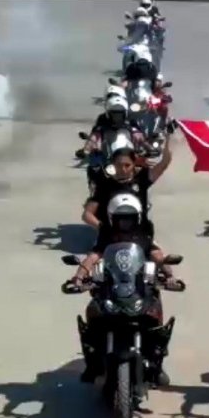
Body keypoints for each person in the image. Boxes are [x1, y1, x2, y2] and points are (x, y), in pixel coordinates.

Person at [63, 193, 179, 383]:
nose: (125, 222)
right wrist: (78, 277)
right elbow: (93, 256)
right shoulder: (106, 235)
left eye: (129, 218)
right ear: (112, 218)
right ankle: (92, 362)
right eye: (120, 218)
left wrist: (170, 275)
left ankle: (157, 364)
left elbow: (157, 255)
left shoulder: (144, 235)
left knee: (155, 310)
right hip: (112, 286)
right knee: (93, 311)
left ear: (137, 218)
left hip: (138, 286)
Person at [82, 122, 176, 240]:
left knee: (158, 252)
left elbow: (165, 162)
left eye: (127, 165)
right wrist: (102, 227)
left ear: (134, 165)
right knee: (92, 253)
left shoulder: (142, 178)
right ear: (113, 164)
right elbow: (87, 214)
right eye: (119, 165)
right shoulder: (104, 184)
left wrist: (169, 136)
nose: (123, 169)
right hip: (111, 235)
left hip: (140, 234)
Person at [75, 96, 144, 160]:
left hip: (129, 152)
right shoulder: (102, 120)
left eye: (120, 114)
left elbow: (139, 135)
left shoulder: (130, 120)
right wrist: (86, 150)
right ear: (108, 113)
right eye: (114, 114)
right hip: (107, 154)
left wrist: (147, 147)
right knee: (94, 164)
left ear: (125, 113)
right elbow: (94, 136)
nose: (117, 118)